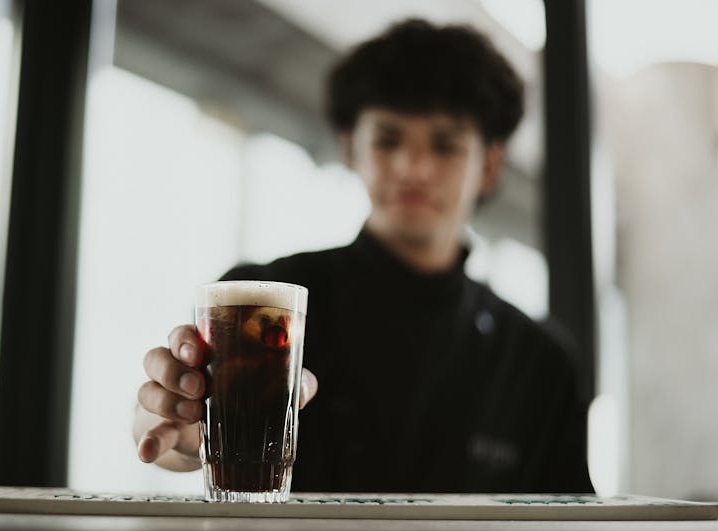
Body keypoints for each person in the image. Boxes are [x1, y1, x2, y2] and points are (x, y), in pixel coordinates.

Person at [133, 19, 594, 493]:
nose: (412, 167)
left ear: (490, 166)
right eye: (388, 140)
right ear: (352, 147)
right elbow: (173, 433)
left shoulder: (540, 364)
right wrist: (179, 428)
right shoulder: (261, 306)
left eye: (445, 145)